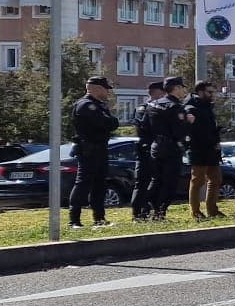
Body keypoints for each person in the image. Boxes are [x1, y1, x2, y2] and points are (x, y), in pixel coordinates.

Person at [67, 76, 118, 228]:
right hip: (88, 149)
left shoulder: (99, 105)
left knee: (100, 185)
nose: (107, 92)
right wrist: (109, 121)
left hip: (100, 148)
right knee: (83, 184)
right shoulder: (86, 105)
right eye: (105, 89)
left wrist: (109, 121)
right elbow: (106, 123)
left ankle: (99, 218)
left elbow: (113, 123)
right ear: (96, 88)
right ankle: (74, 220)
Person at [145, 77, 190, 221]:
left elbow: (145, 126)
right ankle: (160, 212)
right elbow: (179, 131)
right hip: (171, 148)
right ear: (176, 88)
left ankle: (149, 209)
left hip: (156, 146)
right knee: (169, 182)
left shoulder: (153, 104)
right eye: (182, 88)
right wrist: (188, 123)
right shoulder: (176, 107)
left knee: (156, 180)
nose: (184, 91)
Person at [185, 81, 224, 221]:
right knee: (197, 180)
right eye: (209, 92)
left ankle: (212, 210)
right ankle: (195, 212)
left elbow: (210, 128)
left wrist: (216, 140)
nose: (212, 95)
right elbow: (195, 131)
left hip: (212, 150)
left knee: (216, 179)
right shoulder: (191, 107)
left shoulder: (208, 107)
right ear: (200, 92)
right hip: (198, 149)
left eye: (213, 92)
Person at [129, 81, 165, 220]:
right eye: (163, 93)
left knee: (157, 181)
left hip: (157, 149)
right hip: (145, 150)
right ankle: (137, 214)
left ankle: (154, 211)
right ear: (157, 93)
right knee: (142, 182)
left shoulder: (159, 108)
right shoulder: (143, 109)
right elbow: (145, 128)